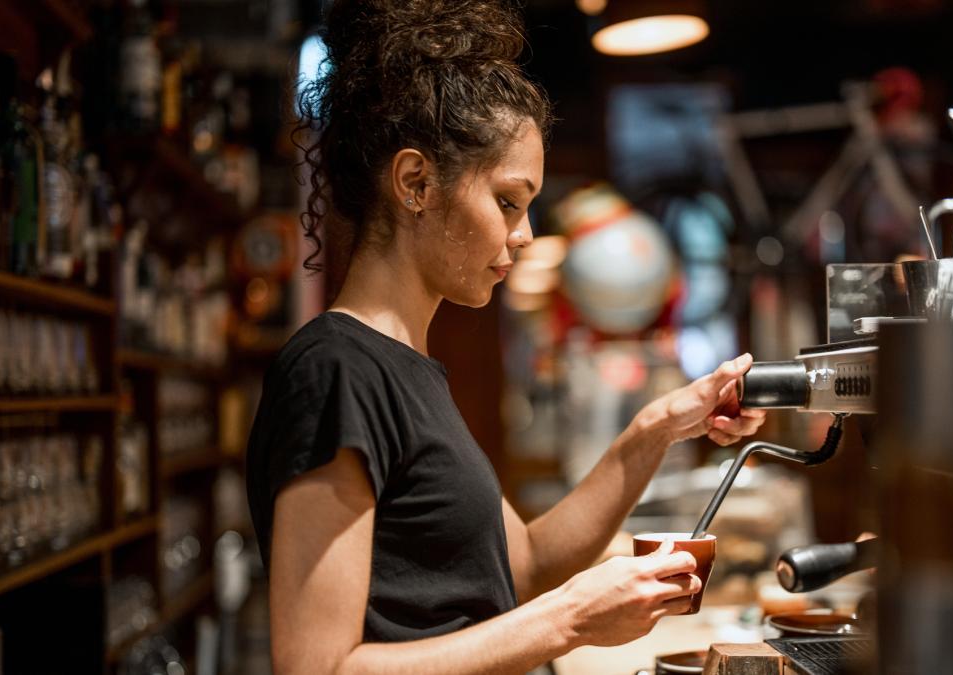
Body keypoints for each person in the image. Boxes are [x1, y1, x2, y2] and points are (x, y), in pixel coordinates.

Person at [245, 1, 766, 673]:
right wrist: (570, 619)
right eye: (508, 202)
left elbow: (523, 564)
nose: (523, 235)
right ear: (416, 183)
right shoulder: (335, 370)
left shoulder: (409, 369)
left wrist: (660, 426)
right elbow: (317, 667)